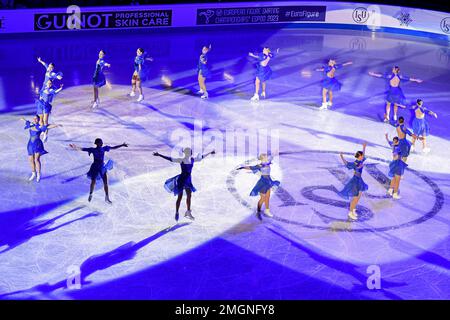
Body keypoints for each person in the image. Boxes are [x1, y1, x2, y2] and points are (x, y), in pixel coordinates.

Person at [154, 148, 215, 221]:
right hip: (182, 180)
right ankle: (177, 212)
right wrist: (159, 155)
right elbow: (170, 159)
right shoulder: (181, 160)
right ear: (186, 153)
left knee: (189, 195)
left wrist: (210, 152)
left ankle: (188, 212)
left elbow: (201, 157)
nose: (190, 153)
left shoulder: (192, 159)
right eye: (189, 152)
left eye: (190, 152)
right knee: (180, 197)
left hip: (188, 179)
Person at [69, 139, 128, 203]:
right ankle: (91, 193)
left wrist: (122, 145)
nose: (102, 143)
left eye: (102, 142)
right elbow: (83, 149)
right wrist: (75, 147)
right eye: (101, 142)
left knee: (105, 182)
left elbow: (113, 148)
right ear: (97, 143)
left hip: (102, 167)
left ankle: (107, 197)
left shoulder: (104, 148)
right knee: (93, 181)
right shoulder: (93, 150)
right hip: (95, 167)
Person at [237, 152, 280, 219]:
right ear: (262, 159)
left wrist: (275, 152)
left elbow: (272, 157)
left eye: (266, 157)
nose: (267, 158)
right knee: (262, 198)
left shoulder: (268, 162)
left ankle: (267, 210)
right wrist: (242, 167)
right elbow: (251, 167)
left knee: (267, 197)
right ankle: (258, 211)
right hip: (262, 183)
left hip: (269, 182)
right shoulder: (259, 166)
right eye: (265, 157)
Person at [20, 115, 62, 182]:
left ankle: (39, 174)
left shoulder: (39, 127)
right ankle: (33, 173)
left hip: (37, 145)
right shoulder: (31, 124)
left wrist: (56, 125)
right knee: (31, 160)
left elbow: (48, 126)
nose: (35, 120)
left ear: (39, 120)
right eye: (34, 118)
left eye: (36, 119)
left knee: (36, 160)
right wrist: (23, 119)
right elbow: (27, 122)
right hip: (30, 145)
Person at [337, 143, 368, 220]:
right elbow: (347, 164)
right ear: (359, 156)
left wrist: (364, 147)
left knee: (359, 196)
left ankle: (353, 209)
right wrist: (342, 157)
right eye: (362, 155)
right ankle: (350, 212)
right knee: (355, 197)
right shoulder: (355, 163)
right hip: (355, 181)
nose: (363, 156)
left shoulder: (361, 160)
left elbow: (363, 155)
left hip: (359, 180)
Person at [385, 134, 407, 199]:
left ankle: (390, 190)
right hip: (398, 164)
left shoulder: (393, 145)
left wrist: (387, 137)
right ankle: (395, 194)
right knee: (397, 180)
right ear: (398, 142)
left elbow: (389, 142)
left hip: (393, 164)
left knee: (393, 178)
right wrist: (396, 156)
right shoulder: (398, 148)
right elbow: (395, 155)